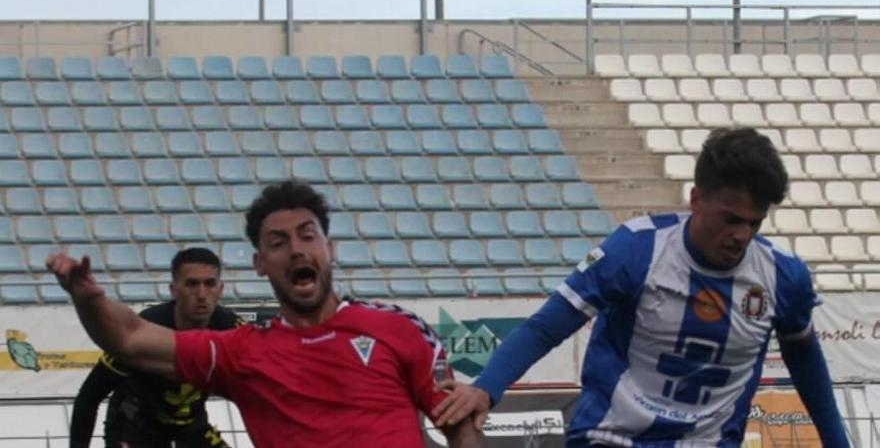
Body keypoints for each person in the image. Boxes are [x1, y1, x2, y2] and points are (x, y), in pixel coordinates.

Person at [432, 127, 850, 447]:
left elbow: (803, 354)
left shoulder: (783, 276)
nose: (742, 235)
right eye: (730, 219)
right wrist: (487, 387)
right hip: (614, 438)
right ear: (696, 199)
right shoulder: (635, 251)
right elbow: (545, 327)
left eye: (754, 224)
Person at [49, 180, 483, 448]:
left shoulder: (398, 329)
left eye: (306, 236)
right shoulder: (242, 352)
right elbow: (127, 339)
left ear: (328, 250)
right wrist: (88, 298)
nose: (295, 248)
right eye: (277, 242)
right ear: (260, 264)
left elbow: (459, 429)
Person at [70, 247, 242, 448]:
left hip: (192, 427)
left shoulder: (232, 328)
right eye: (191, 284)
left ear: (221, 289)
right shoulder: (145, 329)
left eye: (210, 284)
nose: (202, 294)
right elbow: (89, 396)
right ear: (173, 290)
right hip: (134, 427)